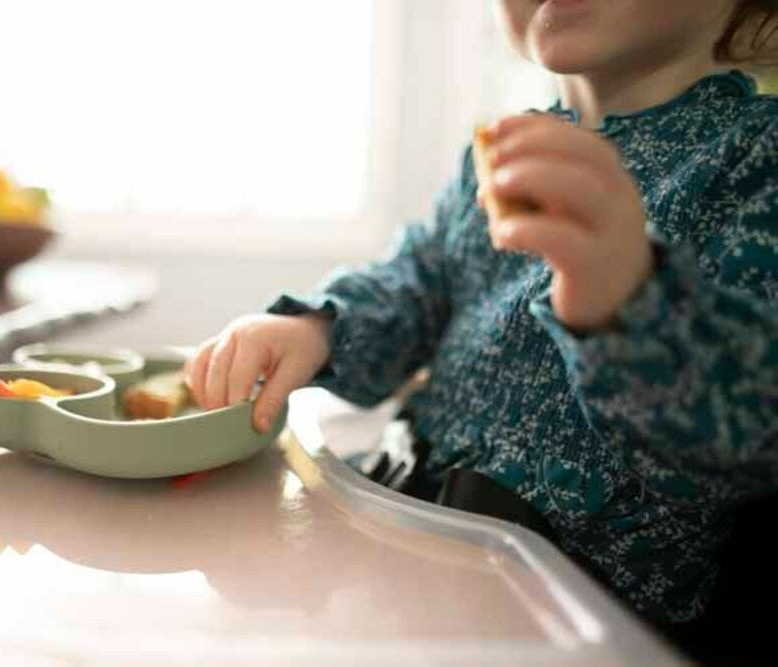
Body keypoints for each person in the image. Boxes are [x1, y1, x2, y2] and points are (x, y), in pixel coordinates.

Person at [184, 0, 778, 650]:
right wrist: (319, 328)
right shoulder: (498, 155)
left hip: (564, 615)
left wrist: (627, 301)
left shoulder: (755, 157)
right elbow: (417, 282)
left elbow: (750, 420)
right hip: (405, 537)